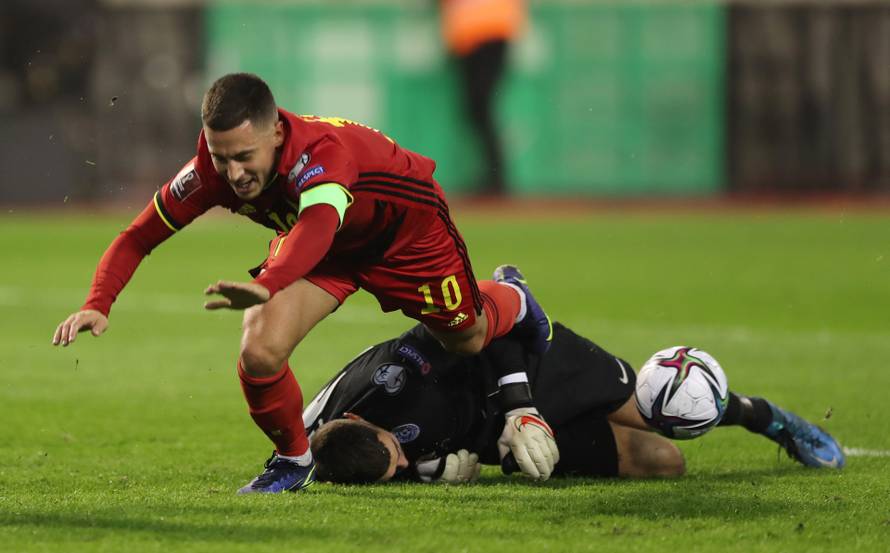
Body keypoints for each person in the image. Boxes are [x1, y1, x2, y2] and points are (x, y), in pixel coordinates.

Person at [50, 73, 554, 493]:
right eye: (221, 156)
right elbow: (139, 236)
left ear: (275, 134)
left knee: (466, 338)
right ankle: (292, 462)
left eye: (244, 156)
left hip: (405, 237)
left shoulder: (321, 154)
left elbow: (316, 227)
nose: (233, 172)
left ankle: (512, 293)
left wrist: (270, 282)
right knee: (260, 350)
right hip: (324, 252)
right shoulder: (209, 169)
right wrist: (99, 302)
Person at [305, 322, 846, 484]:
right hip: (487, 433)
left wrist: (521, 408)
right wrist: (422, 470)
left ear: (358, 418)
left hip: (532, 368)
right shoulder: (340, 456)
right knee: (665, 463)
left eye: (392, 450)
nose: (397, 460)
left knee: (665, 410)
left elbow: (492, 329)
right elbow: (381, 461)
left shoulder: (394, 375)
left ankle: (765, 417)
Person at [440, 0, 527, 196]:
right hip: (468, 37)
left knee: (480, 104)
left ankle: (496, 176)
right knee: (476, 108)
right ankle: (493, 175)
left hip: (492, 31)